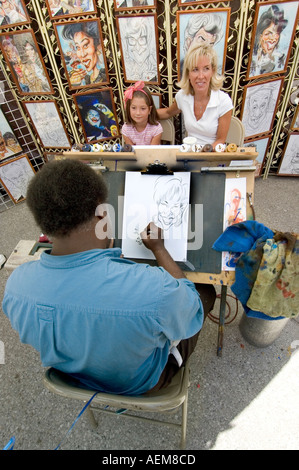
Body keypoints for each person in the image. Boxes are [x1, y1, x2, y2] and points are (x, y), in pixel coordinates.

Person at [2, 159, 216, 395]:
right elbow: (191, 308)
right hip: (140, 382)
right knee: (204, 292)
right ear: (101, 216)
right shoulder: (155, 289)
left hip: (74, 377)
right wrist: (159, 249)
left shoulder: (15, 287)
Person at [157, 42, 233, 149]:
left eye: (206, 68)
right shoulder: (182, 96)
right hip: (190, 154)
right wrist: (142, 114)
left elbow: (220, 141)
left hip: (212, 155)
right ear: (188, 73)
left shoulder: (224, 101)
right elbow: (167, 112)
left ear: (213, 71)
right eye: (195, 69)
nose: (201, 76)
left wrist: (201, 154)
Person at [61, 21, 107, 86]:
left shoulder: (105, 75)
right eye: (78, 47)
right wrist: (75, 85)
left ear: (96, 44)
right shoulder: (87, 79)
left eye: (85, 45)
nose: (82, 54)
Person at [250, 5, 288, 77]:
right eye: (268, 33)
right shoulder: (252, 59)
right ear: (260, 35)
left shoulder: (280, 57)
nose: (273, 39)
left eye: (277, 33)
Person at [122, 81, 163, 145]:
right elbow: (131, 152)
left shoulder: (156, 129)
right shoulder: (126, 129)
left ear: (150, 109)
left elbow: (152, 153)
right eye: (133, 108)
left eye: (143, 108)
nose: (138, 113)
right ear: (128, 108)